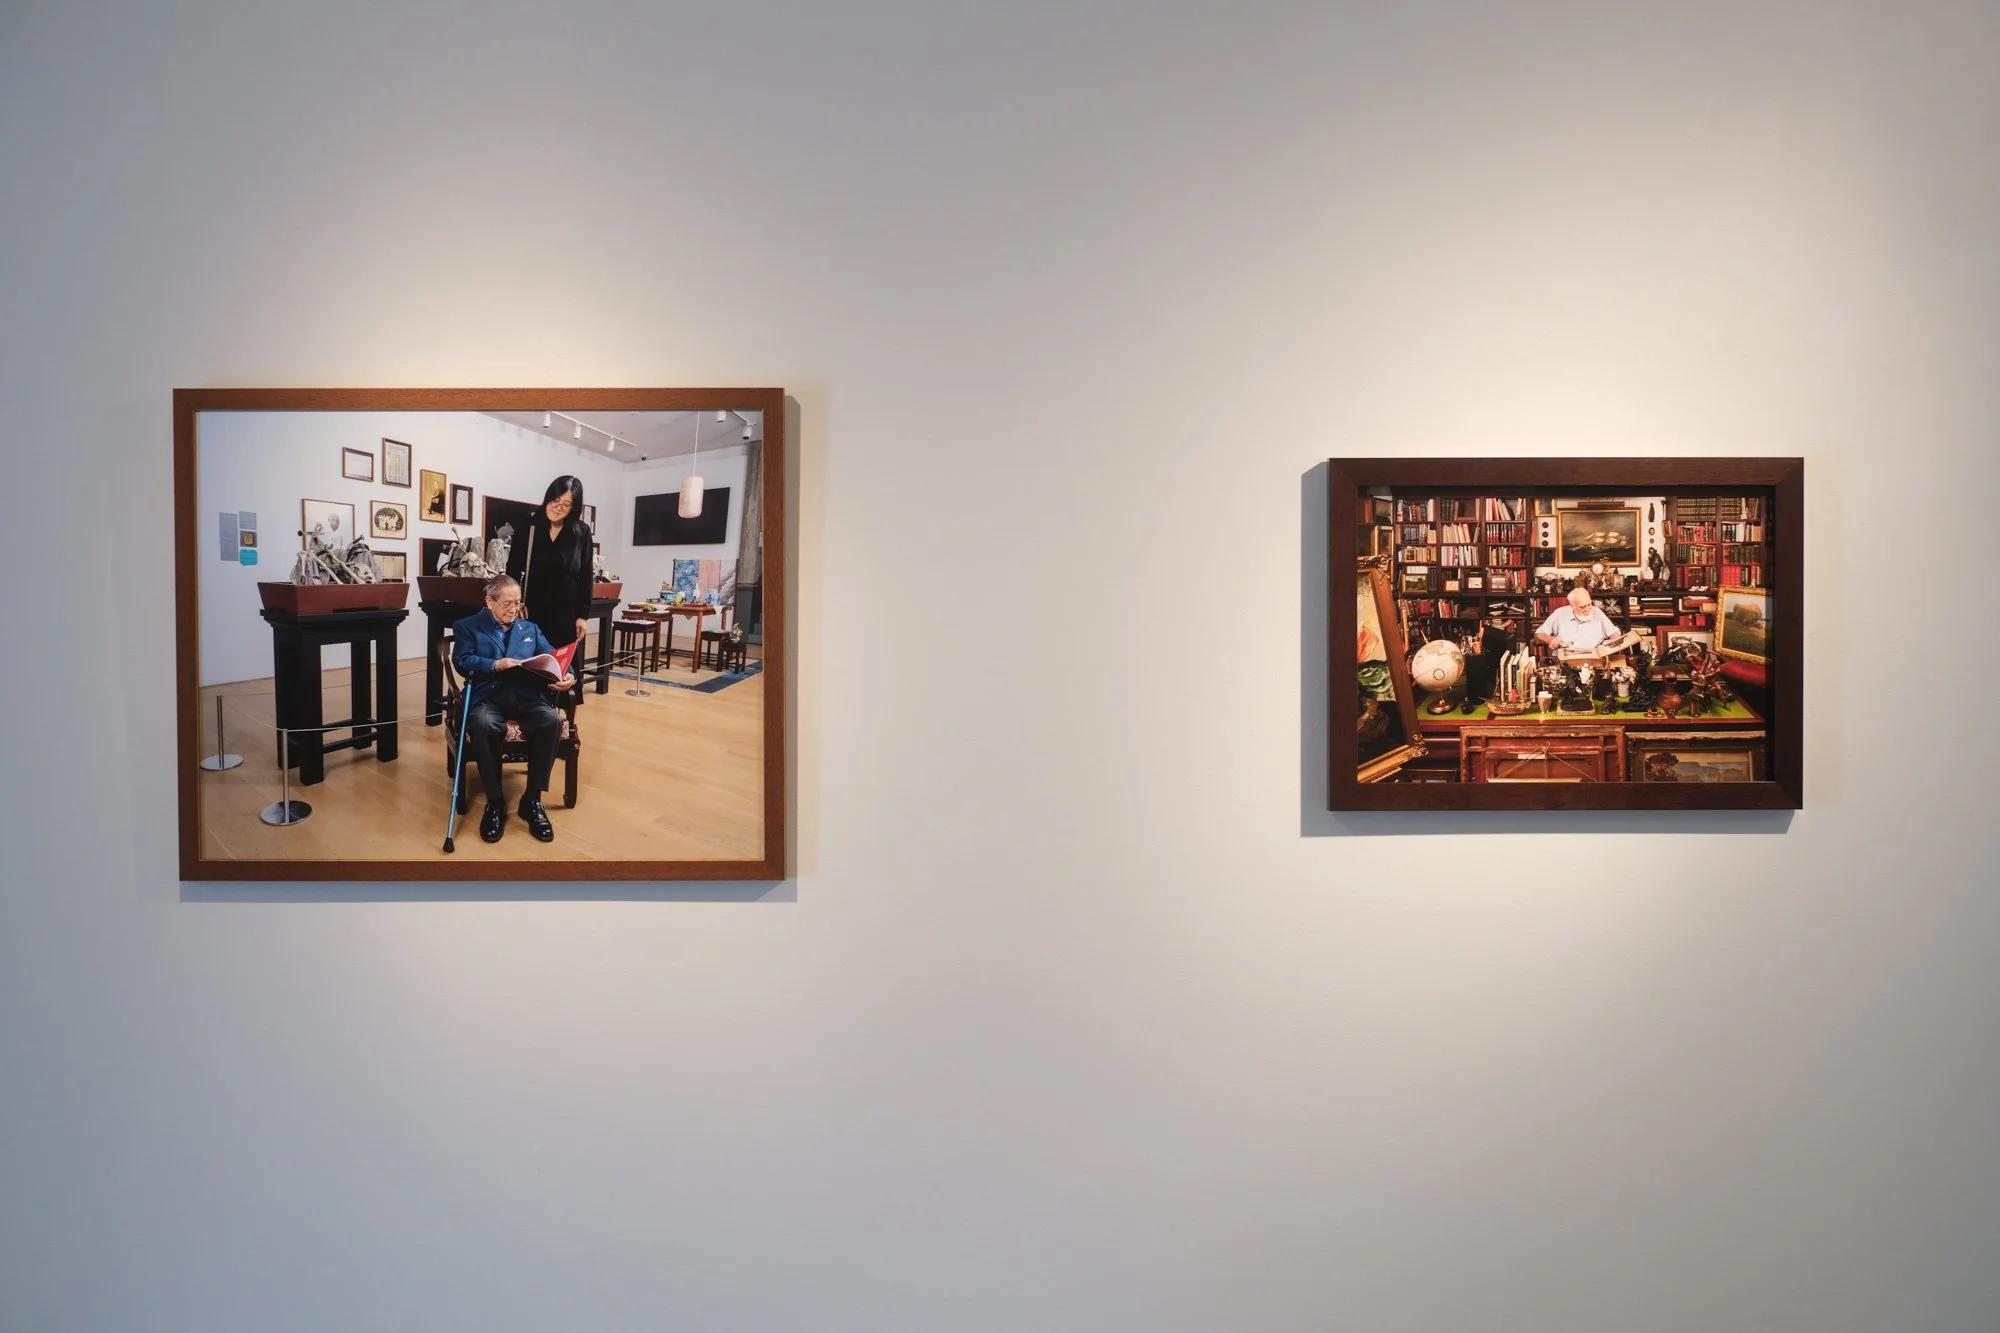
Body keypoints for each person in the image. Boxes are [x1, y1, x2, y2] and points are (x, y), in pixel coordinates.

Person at [452, 576, 576, 844]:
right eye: (508, 603)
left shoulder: (528, 627)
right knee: (484, 724)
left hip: (526, 695)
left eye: (518, 603)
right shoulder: (468, 626)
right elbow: (461, 661)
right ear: (489, 601)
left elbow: (555, 656)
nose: (514, 610)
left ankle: (531, 800)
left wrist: (569, 676)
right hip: (488, 695)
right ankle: (495, 803)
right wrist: (496, 664)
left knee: (551, 722)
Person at [506, 475, 595, 701]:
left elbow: (585, 574)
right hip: (532, 607)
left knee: (562, 663)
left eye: (567, 505)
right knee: (531, 658)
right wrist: (514, 604)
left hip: (566, 609)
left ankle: (559, 719)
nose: (559, 507)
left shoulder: (581, 531)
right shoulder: (529, 524)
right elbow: (513, 568)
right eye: (556, 500)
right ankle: (531, 707)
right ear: (548, 497)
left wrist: (583, 615)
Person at [1534, 585, 1623, 656]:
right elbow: (1538, 634)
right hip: (1565, 661)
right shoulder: (1559, 613)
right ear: (1572, 606)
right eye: (1583, 607)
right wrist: (1549, 639)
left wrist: (1612, 641)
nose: (1588, 609)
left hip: (1593, 660)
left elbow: (1615, 632)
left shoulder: (1597, 612)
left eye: (1589, 604)